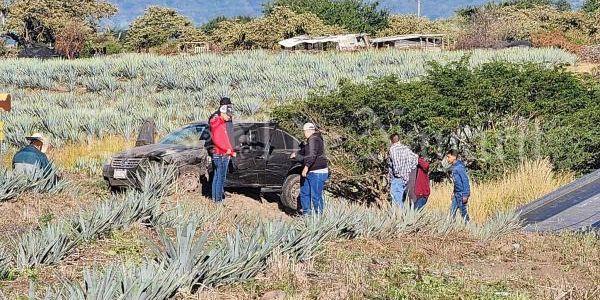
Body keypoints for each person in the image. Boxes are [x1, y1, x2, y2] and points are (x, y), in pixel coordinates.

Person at [291, 123, 328, 215]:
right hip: (311, 172)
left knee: (316, 196)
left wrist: (306, 167)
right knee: (304, 193)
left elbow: (312, 155)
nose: (304, 133)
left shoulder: (314, 139)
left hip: (317, 172)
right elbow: (305, 151)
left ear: (308, 131)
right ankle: (307, 216)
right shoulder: (311, 140)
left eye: (304, 131)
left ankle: (319, 218)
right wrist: (296, 154)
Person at [209, 105, 236, 202]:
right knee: (220, 178)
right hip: (220, 154)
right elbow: (216, 140)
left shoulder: (222, 123)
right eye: (228, 115)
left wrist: (231, 151)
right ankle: (218, 200)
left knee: (217, 177)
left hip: (222, 153)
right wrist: (226, 150)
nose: (230, 117)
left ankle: (215, 199)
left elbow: (225, 139)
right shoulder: (217, 123)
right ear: (223, 113)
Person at [388, 133, 417, 208]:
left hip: (397, 178)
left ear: (391, 141)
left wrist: (398, 174)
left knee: (396, 200)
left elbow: (396, 163)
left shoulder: (393, 149)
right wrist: (408, 171)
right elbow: (415, 158)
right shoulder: (406, 148)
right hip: (406, 177)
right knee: (402, 199)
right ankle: (404, 216)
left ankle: (399, 217)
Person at [446, 149, 471, 222]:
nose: (448, 159)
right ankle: (452, 229)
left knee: (463, 213)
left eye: (448, 157)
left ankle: (470, 228)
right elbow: (456, 182)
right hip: (456, 194)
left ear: (454, 157)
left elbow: (465, 181)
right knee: (452, 211)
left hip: (462, 194)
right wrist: (453, 192)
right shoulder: (454, 167)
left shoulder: (459, 167)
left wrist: (466, 194)